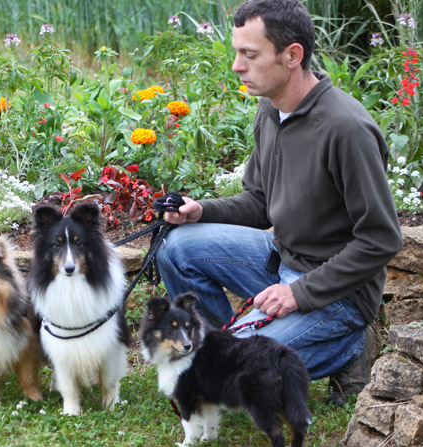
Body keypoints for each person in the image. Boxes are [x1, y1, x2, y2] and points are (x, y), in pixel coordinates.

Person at [156, 0, 403, 406]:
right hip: (280, 261)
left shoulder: (346, 129)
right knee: (176, 247)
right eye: (237, 52)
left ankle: (350, 349)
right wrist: (201, 211)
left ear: (292, 56)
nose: (236, 66)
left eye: (249, 55)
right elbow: (259, 202)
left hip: (337, 293)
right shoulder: (270, 110)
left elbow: (381, 239)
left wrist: (298, 294)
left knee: (235, 374)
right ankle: (229, 348)